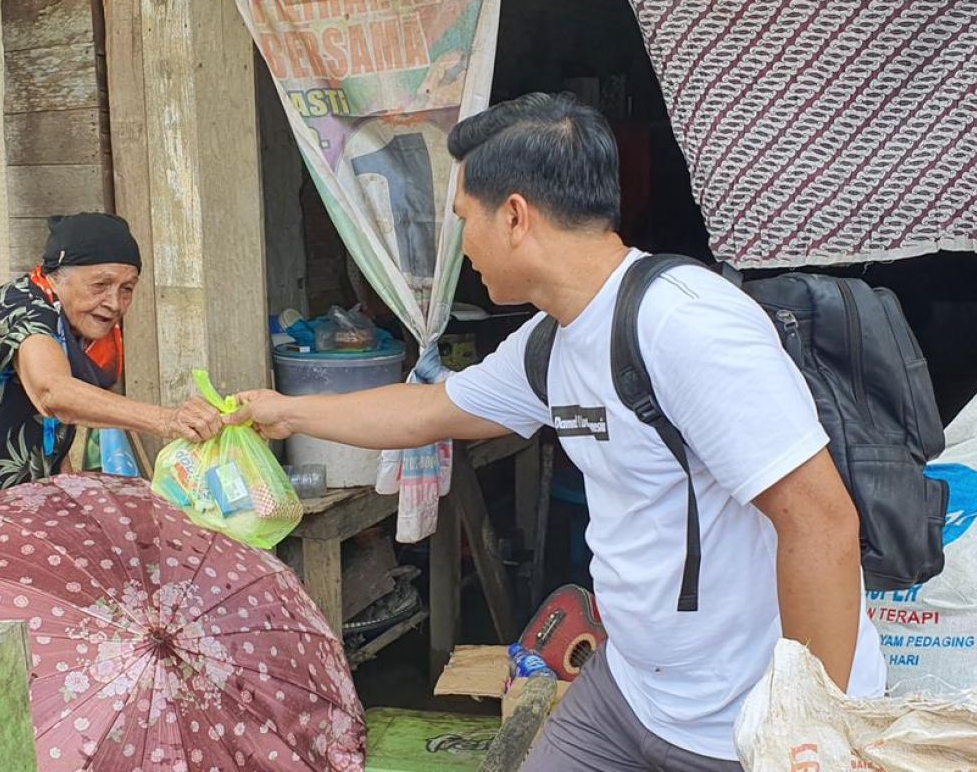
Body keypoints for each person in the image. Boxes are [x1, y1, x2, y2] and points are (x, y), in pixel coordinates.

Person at [227, 93, 886, 769]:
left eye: (463, 220)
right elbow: (431, 410)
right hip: (632, 689)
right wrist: (288, 410)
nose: (463, 245)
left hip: (745, 715)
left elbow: (822, 523)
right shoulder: (553, 341)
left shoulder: (686, 325)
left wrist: (810, 729)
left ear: (514, 216)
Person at [0, 213, 222, 550]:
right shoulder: (24, 310)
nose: (114, 303)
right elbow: (52, 394)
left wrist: (71, 500)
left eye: (127, 289)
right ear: (58, 277)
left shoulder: (70, 327)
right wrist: (167, 419)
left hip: (6, 485)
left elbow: (49, 428)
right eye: (100, 285)